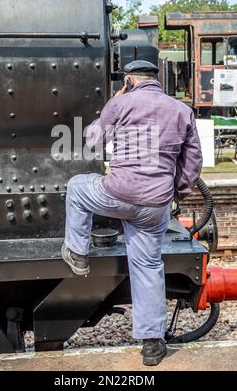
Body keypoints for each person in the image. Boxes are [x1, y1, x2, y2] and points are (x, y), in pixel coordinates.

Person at [61, 60, 203, 366]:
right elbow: (192, 164)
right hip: (156, 206)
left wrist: (114, 101)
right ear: (157, 80)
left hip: (118, 194)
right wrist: (176, 191)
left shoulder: (122, 102)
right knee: (148, 266)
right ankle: (153, 344)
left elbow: (93, 141)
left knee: (77, 187)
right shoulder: (181, 110)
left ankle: (78, 254)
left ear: (129, 80)